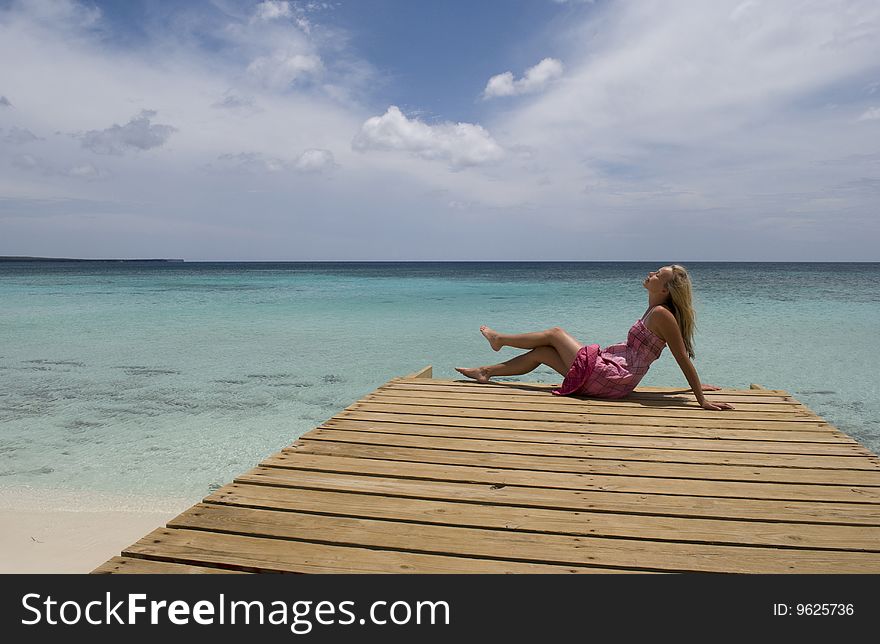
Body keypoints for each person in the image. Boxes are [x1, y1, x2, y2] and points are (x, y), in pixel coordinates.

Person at [455, 265, 734, 411]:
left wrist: (700, 398)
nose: (650, 273)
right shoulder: (655, 309)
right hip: (612, 376)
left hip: (613, 378)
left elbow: (681, 358)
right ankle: (485, 372)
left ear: (665, 289)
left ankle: (499, 340)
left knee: (555, 333)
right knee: (543, 353)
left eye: (657, 274)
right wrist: (693, 389)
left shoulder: (662, 314)